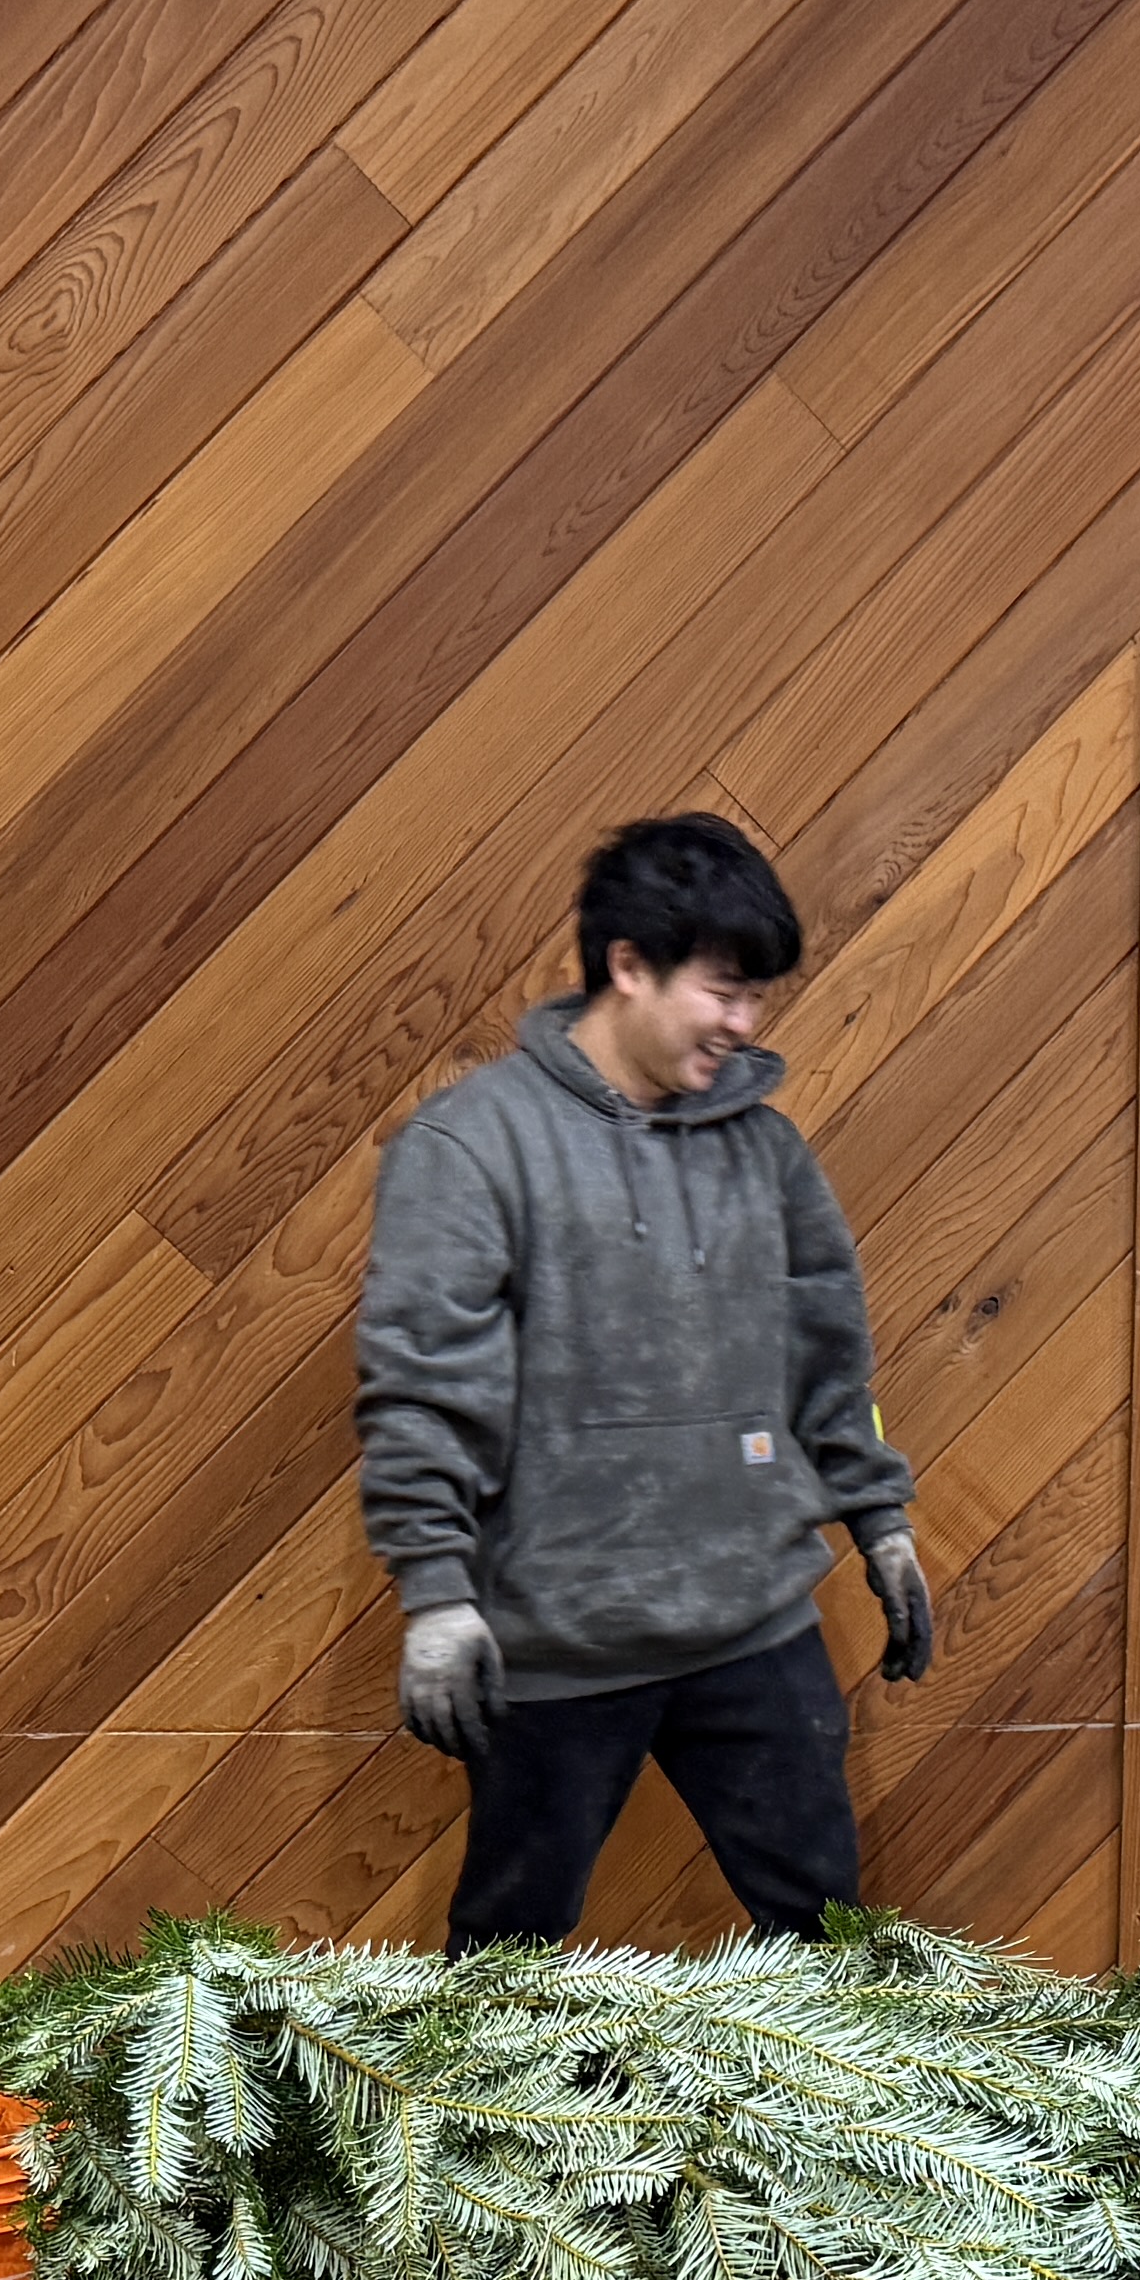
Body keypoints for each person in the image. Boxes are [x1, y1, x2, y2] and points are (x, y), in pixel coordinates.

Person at [354, 816, 933, 1951]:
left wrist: (882, 1519)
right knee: (507, 1965)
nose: (743, 1022)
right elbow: (422, 1388)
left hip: (755, 1622)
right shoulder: (474, 1146)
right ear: (628, 965)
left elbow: (830, 1361)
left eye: (755, 998)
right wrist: (434, 1594)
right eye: (723, 991)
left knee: (830, 1940)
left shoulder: (767, 1154)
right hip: (557, 1642)